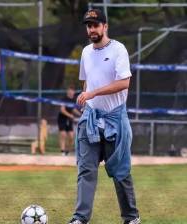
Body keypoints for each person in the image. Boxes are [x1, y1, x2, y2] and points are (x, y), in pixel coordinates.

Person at [68, 9, 140, 224]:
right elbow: (86, 81)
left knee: (120, 172)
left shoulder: (119, 49)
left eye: (95, 25)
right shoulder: (86, 52)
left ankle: (131, 217)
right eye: (89, 25)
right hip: (90, 119)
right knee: (86, 170)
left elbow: (124, 82)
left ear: (105, 26)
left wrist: (93, 93)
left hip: (115, 120)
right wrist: (86, 99)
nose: (91, 29)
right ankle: (80, 218)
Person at [57, 85, 81, 156]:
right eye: (70, 90)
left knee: (71, 136)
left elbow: (73, 109)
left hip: (69, 120)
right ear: (68, 91)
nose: (71, 92)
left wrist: (80, 114)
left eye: (72, 90)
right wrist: (70, 115)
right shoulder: (64, 99)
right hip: (62, 119)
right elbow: (62, 110)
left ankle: (67, 151)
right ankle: (62, 151)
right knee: (63, 134)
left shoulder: (73, 100)